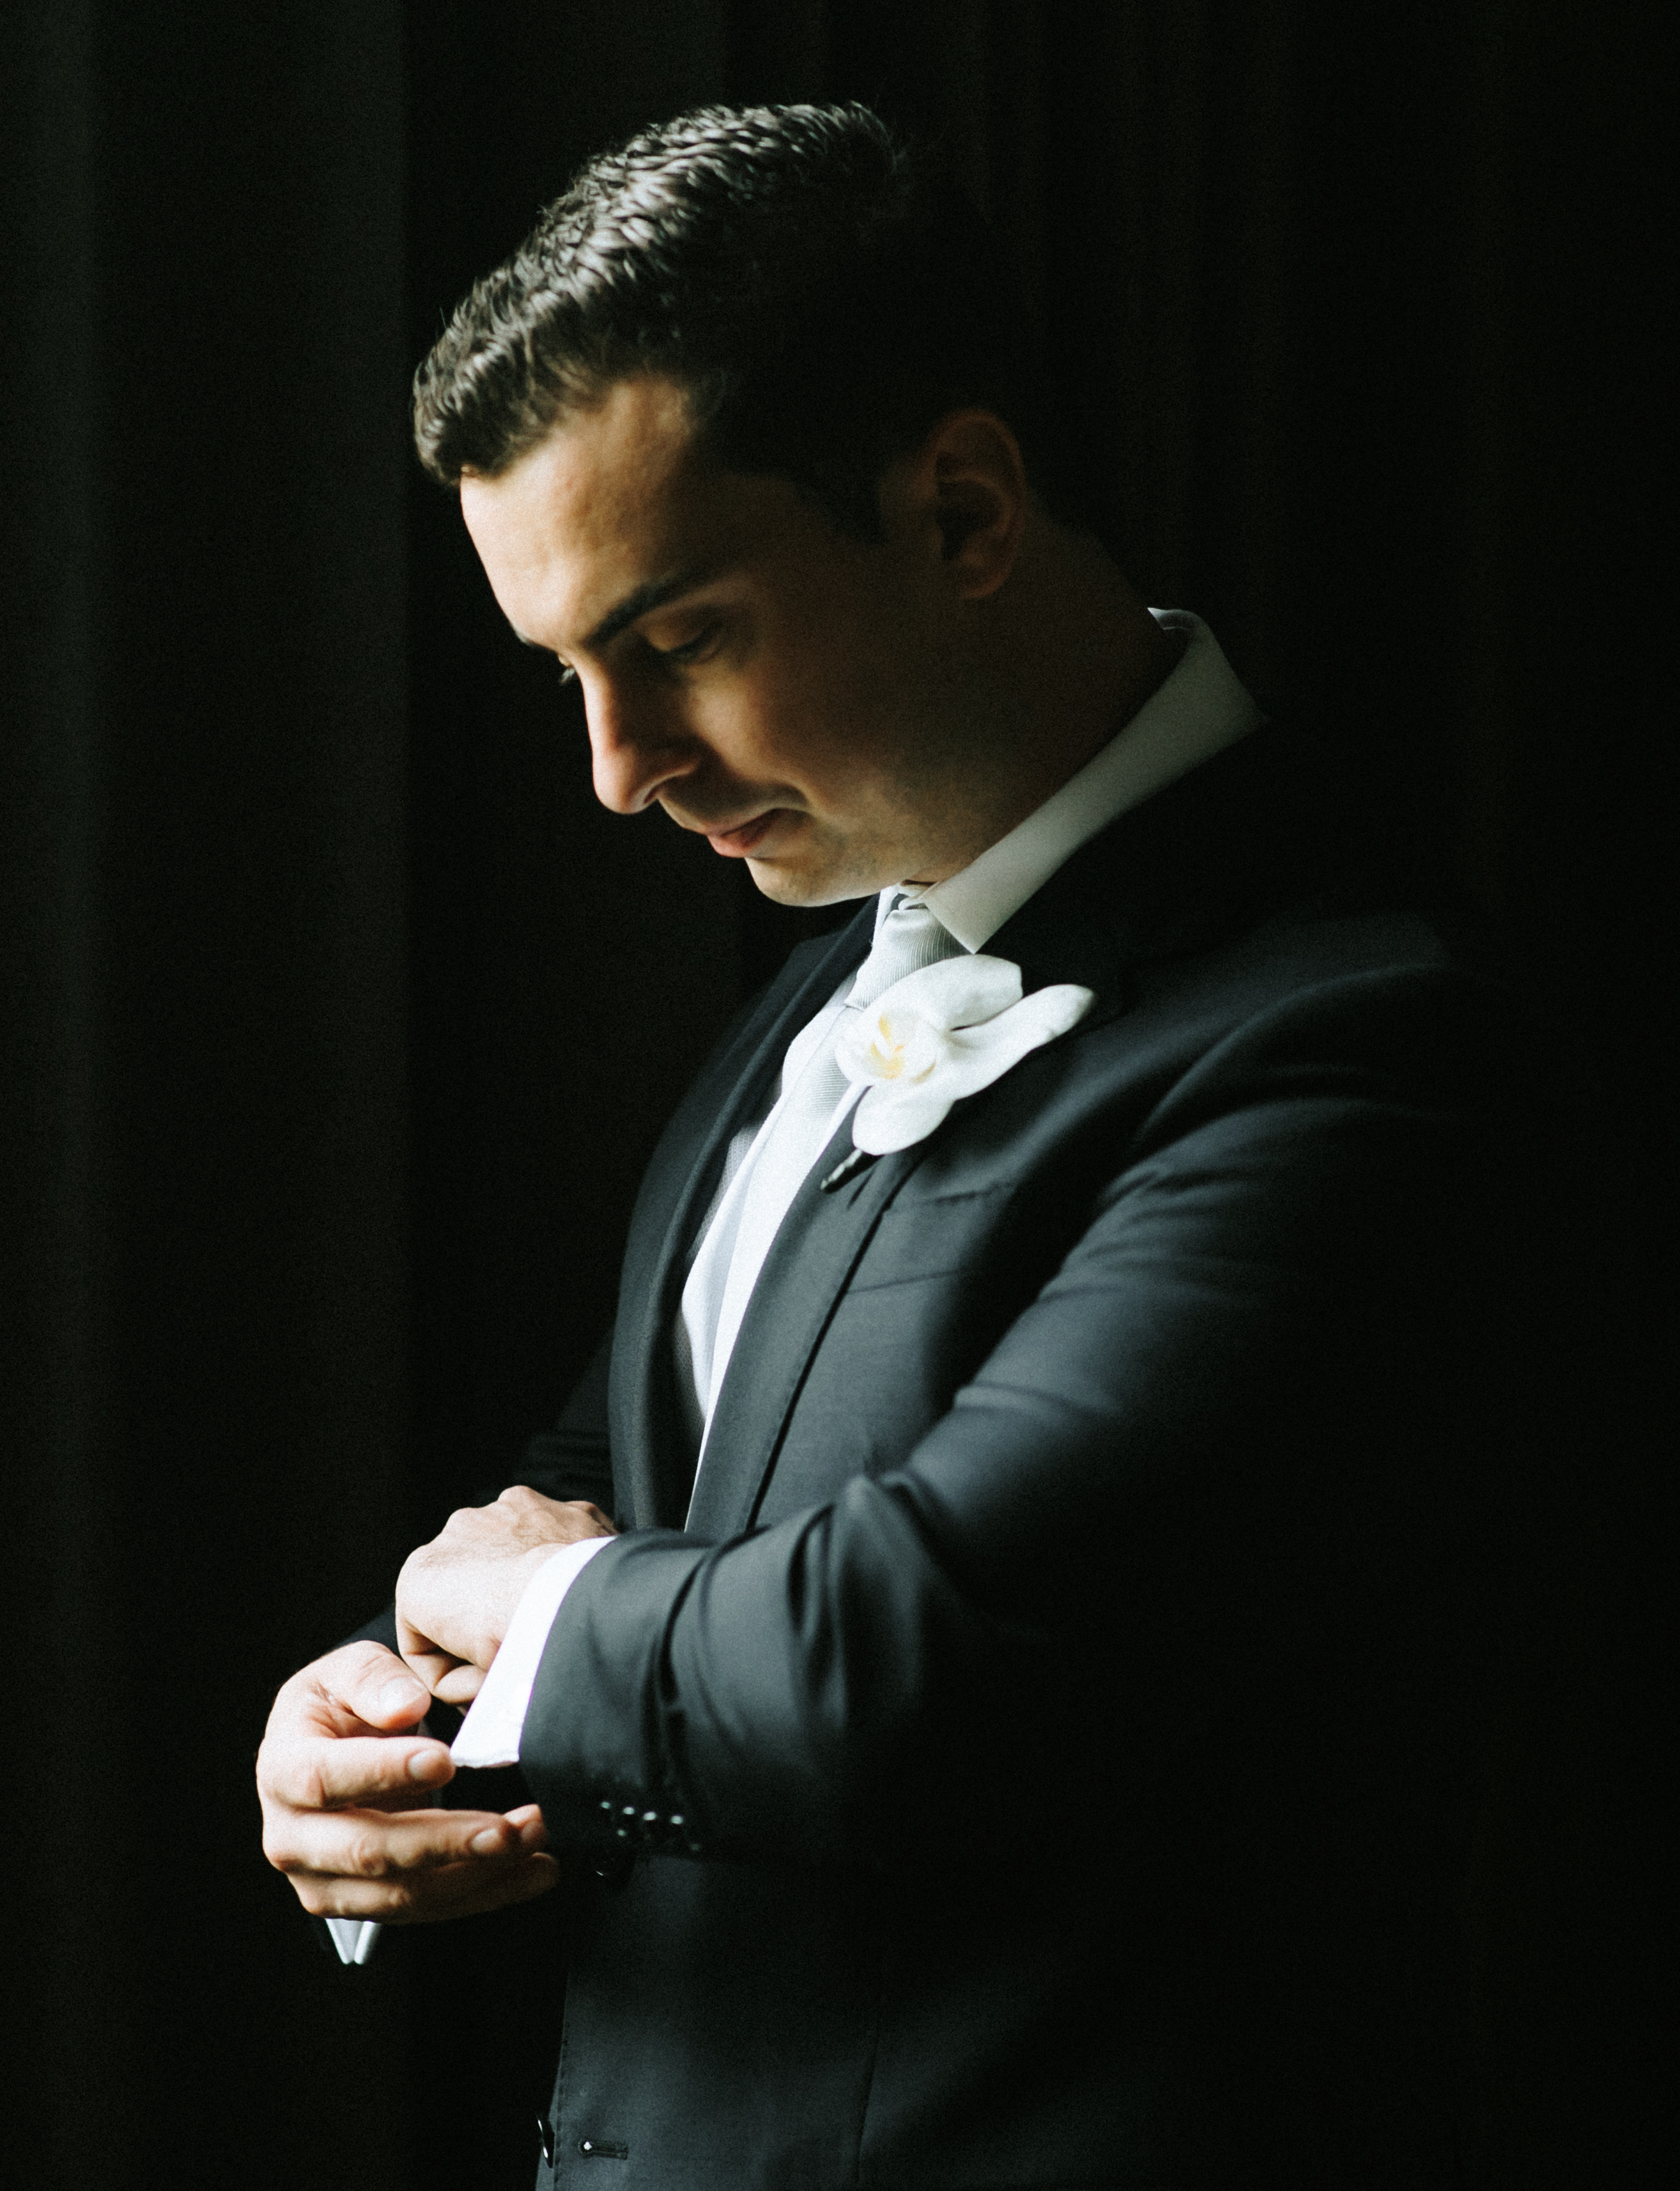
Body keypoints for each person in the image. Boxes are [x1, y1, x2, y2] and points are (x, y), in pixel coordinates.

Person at [257, 103, 1543, 2186]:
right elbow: (620, 1485)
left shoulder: (1364, 1035)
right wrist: (395, 1720)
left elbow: (919, 1653)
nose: (616, 771)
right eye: (566, 671)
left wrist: (549, 1632)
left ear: (961, 510)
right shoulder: (829, 957)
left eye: (674, 642)